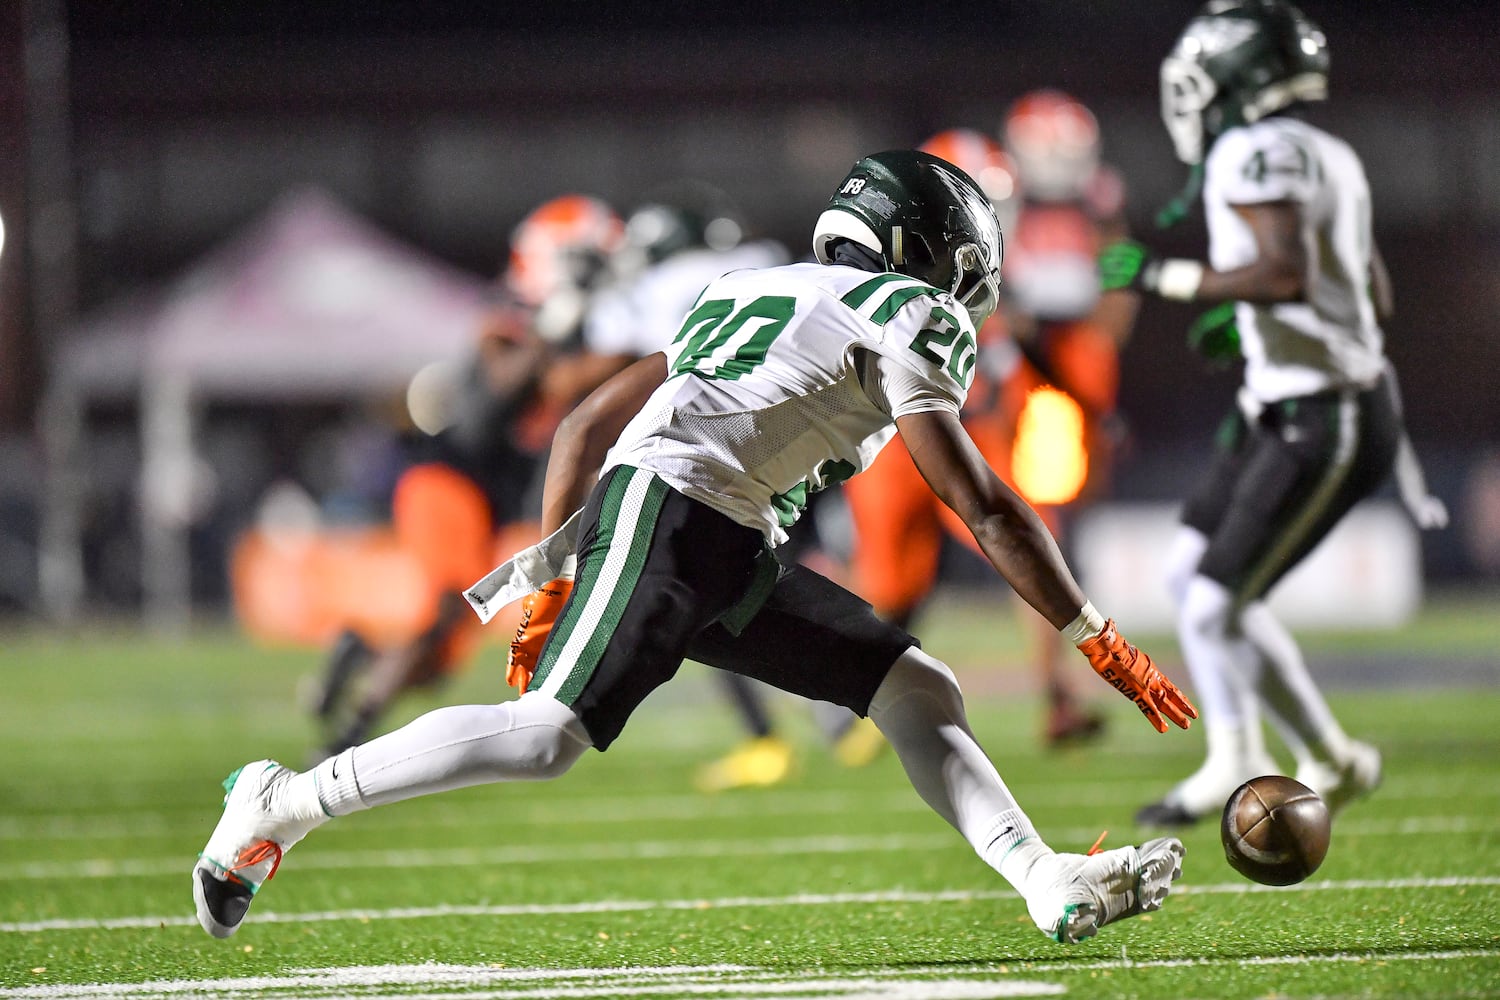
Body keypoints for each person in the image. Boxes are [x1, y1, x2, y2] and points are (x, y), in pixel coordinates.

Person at [192, 150, 1198, 948]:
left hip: (713, 530)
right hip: (678, 512)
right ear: (918, 248)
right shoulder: (909, 310)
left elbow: (585, 422)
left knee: (914, 684)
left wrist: (550, 570)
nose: (966, 286)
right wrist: (1096, 633)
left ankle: (1042, 877)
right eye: (958, 260)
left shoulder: (747, 289)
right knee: (547, 735)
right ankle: (279, 801)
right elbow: (979, 502)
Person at [1098, 0, 1444, 827]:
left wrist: (1167, 281)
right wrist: (1261, 327)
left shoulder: (1252, 151)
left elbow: (1283, 271)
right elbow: (1371, 291)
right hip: (1287, 402)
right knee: (1191, 580)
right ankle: (1276, 755)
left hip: (1327, 414)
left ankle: (1299, 757)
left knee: (1218, 603)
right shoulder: (1328, 151)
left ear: (1232, 76)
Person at [307, 194, 626, 759]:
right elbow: (489, 398)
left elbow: (586, 381)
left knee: (439, 660)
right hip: (448, 477)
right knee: (448, 607)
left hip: (487, 498)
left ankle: (361, 650)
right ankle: (345, 743)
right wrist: (555, 325)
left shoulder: (588, 328)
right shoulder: (514, 312)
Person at [842, 116, 1124, 750]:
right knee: (887, 586)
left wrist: (1086, 404)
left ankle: (1058, 700)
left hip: (973, 433)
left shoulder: (1007, 274)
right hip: (890, 438)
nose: (993, 216)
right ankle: (846, 689)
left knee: (1027, 543)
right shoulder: (878, 273)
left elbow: (1042, 327)